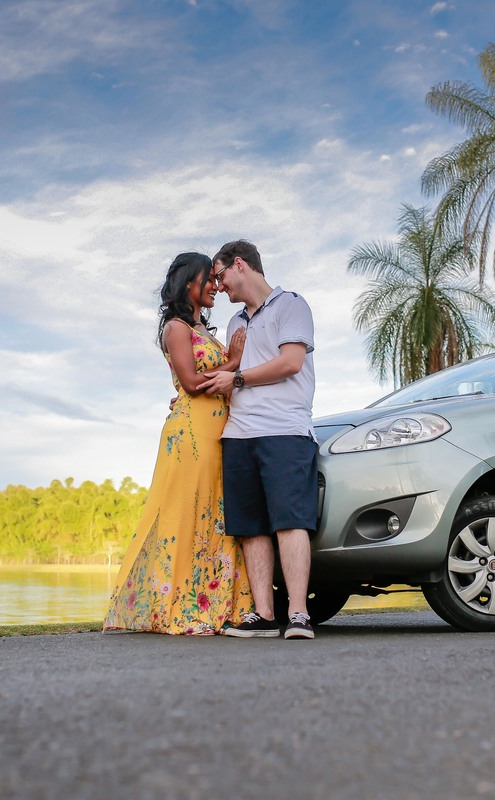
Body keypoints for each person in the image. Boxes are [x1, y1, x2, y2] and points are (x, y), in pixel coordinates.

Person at [103, 252, 252, 634]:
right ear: (189, 283)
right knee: (187, 514)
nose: (215, 287)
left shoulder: (204, 332)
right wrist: (233, 362)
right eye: (208, 280)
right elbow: (190, 383)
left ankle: (219, 605)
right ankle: (177, 607)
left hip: (220, 431)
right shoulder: (175, 328)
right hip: (191, 434)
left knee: (216, 516)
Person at [199, 240, 319, 640]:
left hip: (285, 429)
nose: (218, 287)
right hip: (238, 433)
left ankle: (298, 614)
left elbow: (291, 362)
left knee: (289, 521)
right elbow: (229, 376)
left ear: (239, 264)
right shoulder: (235, 324)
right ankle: (265, 616)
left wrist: (236, 378)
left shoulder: (291, 305)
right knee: (250, 527)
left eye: (220, 276)